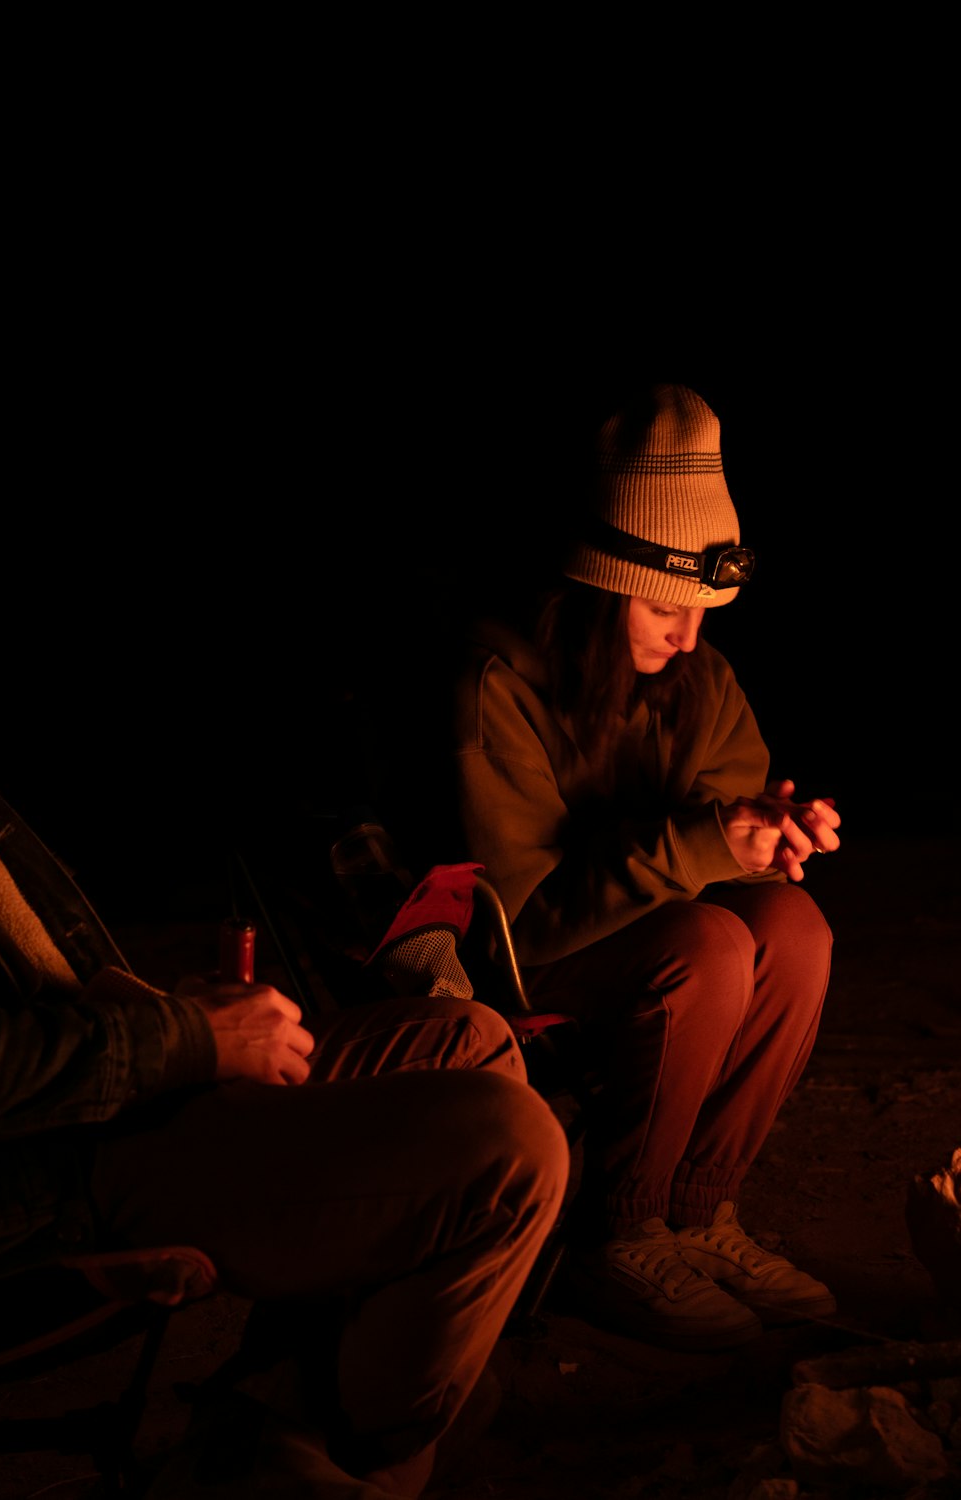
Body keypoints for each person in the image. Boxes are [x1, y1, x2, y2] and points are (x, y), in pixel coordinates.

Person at [0, 748, 569, 1498]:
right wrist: (183, 1040)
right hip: (41, 1167)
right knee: (510, 1151)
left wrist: (161, 1012)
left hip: (103, 1091)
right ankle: (354, 1457)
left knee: (469, 1037)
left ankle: (269, 1419)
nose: (684, 641)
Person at [384, 382, 842, 1355]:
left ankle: (698, 1213)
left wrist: (771, 833)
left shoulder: (694, 678)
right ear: (594, 586)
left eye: (704, 610)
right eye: (663, 606)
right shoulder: (496, 685)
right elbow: (525, 914)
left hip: (638, 949)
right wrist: (710, 844)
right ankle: (620, 1230)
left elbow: (728, 830)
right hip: (512, 967)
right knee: (709, 941)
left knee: (793, 928)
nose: (687, 633)